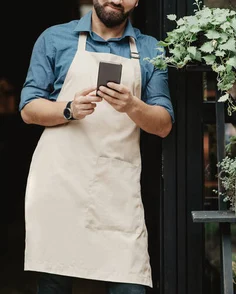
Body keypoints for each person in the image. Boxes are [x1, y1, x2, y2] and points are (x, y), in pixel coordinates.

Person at [19, 0, 174, 293]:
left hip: (116, 187)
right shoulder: (54, 39)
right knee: (54, 281)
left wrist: (132, 106)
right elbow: (28, 109)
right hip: (60, 184)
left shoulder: (152, 49)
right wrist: (69, 109)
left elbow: (163, 124)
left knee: (129, 286)